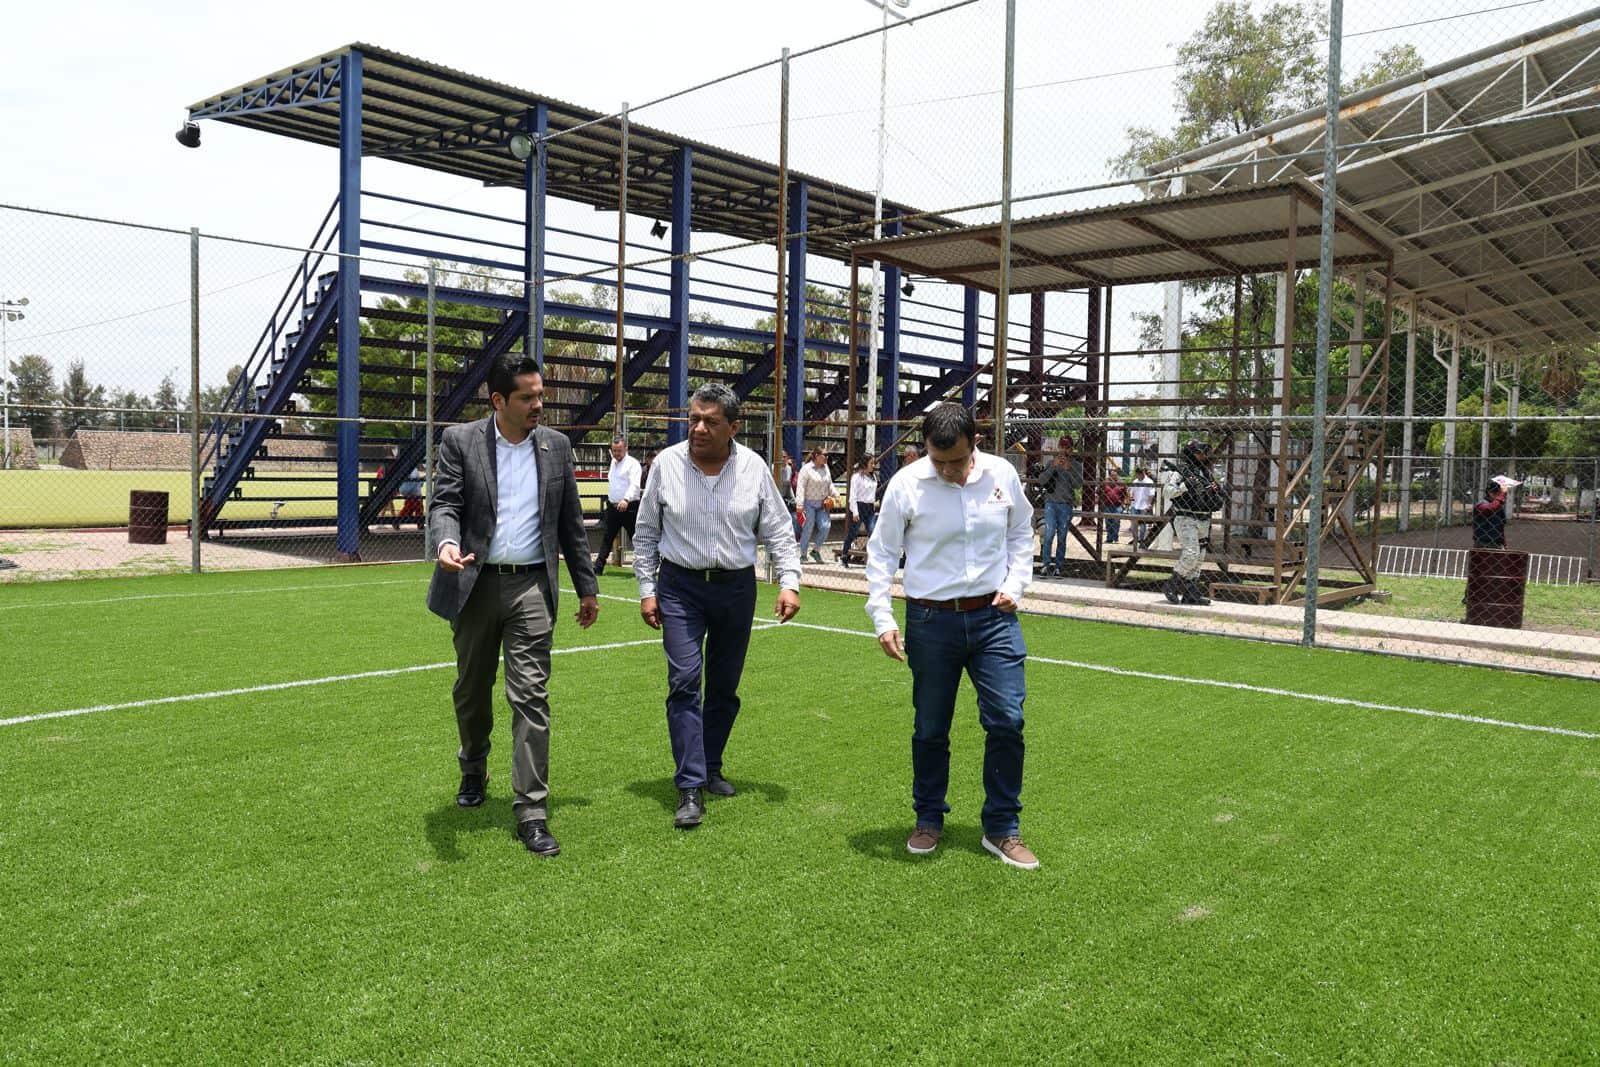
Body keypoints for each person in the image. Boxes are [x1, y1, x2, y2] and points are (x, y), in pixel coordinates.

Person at [427, 353, 600, 859]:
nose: (538, 404)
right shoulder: (460, 441)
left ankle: (531, 811)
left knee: (531, 697)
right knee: (472, 690)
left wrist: (587, 588)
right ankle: (473, 765)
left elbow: (571, 523)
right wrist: (446, 544)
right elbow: (445, 503)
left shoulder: (556, 446)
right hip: (474, 584)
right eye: (528, 397)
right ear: (498, 400)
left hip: (531, 588)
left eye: (540, 395)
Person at [866, 404, 1039, 870]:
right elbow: (882, 554)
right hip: (930, 620)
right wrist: (882, 617)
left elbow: (1020, 534)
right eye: (937, 460)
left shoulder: (1002, 475)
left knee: (1007, 720)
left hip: (994, 617)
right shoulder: (906, 484)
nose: (946, 470)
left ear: (974, 443)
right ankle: (928, 818)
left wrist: (1016, 584)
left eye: (956, 461)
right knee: (930, 726)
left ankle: (1002, 827)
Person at [633, 383, 802, 829]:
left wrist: (789, 583)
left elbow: (779, 530)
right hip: (680, 588)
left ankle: (710, 766)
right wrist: (647, 590)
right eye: (694, 419)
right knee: (684, 681)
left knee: (724, 687)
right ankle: (689, 785)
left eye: (710, 421)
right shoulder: (666, 465)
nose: (699, 428)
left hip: (735, 589)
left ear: (733, 427)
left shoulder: (754, 468)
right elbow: (646, 533)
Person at [1159, 439, 1223, 606]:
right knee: (1191, 554)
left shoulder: (1205, 472)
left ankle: (1190, 593)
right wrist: (1185, 486)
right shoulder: (1180, 472)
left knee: (1200, 557)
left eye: (1203, 452)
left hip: (1204, 518)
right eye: (1198, 452)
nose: (1202, 455)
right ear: (1190, 454)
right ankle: (1171, 585)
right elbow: (1167, 492)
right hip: (1186, 517)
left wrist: (1214, 490)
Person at [593, 435, 643, 575]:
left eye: (619, 450)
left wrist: (626, 500)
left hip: (629, 507)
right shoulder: (613, 463)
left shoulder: (633, 464)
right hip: (613, 507)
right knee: (607, 538)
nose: (616, 453)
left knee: (636, 539)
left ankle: (644, 567)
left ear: (626, 448)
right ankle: (598, 568)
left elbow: (635, 485)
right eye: (614, 450)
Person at [1035, 441, 1082, 578]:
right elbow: (1041, 480)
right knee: (1049, 534)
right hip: (1051, 503)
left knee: (1062, 536)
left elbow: (1078, 484)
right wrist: (1052, 467)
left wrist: (1068, 469)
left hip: (1066, 504)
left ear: (1071, 449)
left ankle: (1058, 567)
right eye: (1062, 446)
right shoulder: (1051, 462)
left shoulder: (1076, 465)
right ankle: (1045, 565)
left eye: (1067, 447)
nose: (1064, 450)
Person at [795, 447, 835, 565]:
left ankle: (815, 550)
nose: (827, 457)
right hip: (809, 503)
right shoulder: (806, 469)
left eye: (827, 455)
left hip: (822, 503)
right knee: (808, 528)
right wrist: (799, 504)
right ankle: (803, 554)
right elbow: (801, 487)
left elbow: (830, 484)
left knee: (826, 527)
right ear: (817, 456)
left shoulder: (826, 468)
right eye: (825, 455)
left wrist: (836, 495)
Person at [841, 457, 879, 567]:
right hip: (859, 506)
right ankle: (844, 554)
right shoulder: (857, 477)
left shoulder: (873, 476)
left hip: (870, 507)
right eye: (871, 463)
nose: (873, 465)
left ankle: (874, 557)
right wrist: (855, 512)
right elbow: (852, 496)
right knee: (853, 532)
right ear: (865, 463)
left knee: (872, 531)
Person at [1473, 474, 1520, 548]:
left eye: (1498, 492)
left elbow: (1500, 528)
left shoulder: (1499, 507)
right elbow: (1490, 508)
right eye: (1495, 492)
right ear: (1489, 492)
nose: (1497, 495)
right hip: (1483, 543)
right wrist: (1502, 494)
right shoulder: (1481, 505)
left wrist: (1504, 543)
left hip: (1497, 543)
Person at [1128, 466, 1156, 546]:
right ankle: (1135, 538)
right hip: (1134, 505)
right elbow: (1131, 491)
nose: (1138, 476)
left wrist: (1149, 504)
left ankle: (1141, 539)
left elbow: (1151, 494)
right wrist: (1131, 496)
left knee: (1142, 524)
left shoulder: (1149, 482)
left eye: (1139, 474)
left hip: (1144, 505)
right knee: (1133, 524)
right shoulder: (1135, 481)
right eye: (1137, 475)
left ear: (1142, 473)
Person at [1101, 464, 1127, 543]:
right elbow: (1099, 492)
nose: (1114, 477)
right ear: (1109, 476)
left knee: (1116, 522)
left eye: (1115, 475)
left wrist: (1124, 505)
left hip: (1117, 506)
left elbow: (1126, 494)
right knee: (1108, 522)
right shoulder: (1105, 483)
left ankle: (1115, 538)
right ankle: (1109, 538)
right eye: (1112, 475)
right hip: (1107, 506)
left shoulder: (1121, 483)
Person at [395, 463, 425, 528]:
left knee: (412, 507)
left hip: (412, 490)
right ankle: (397, 521)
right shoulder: (411, 469)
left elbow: (416, 479)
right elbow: (413, 477)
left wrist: (422, 478)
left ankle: (419, 523)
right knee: (414, 506)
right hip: (412, 490)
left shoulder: (412, 469)